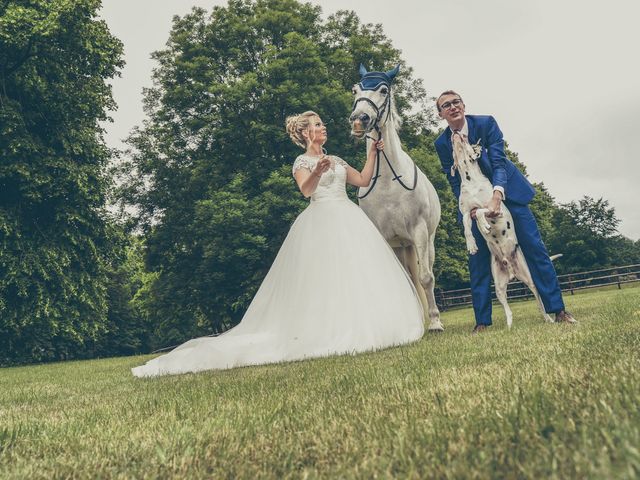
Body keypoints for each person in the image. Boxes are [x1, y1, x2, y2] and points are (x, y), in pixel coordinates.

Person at [132, 111, 424, 377]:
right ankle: (325, 331)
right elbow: (306, 191)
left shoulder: (336, 160)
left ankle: (365, 325)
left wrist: (372, 153)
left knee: (354, 272)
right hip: (320, 221)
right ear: (307, 132)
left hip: (349, 216)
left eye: (322, 122)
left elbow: (361, 180)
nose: (324, 127)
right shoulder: (302, 162)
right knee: (324, 277)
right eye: (319, 124)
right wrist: (317, 170)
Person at [433, 91, 576, 333]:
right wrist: (467, 210)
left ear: (464, 105)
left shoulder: (486, 123)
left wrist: (497, 196)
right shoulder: (441, 144)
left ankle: (558, 310)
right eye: (446, 105)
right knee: (476, 261)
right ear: (440, 114)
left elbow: (498, 161)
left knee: (535, 250)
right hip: (475, 206)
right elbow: (454, 179)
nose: (453, 107)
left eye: (456, 102)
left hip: (508, 194)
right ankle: (482, 322)